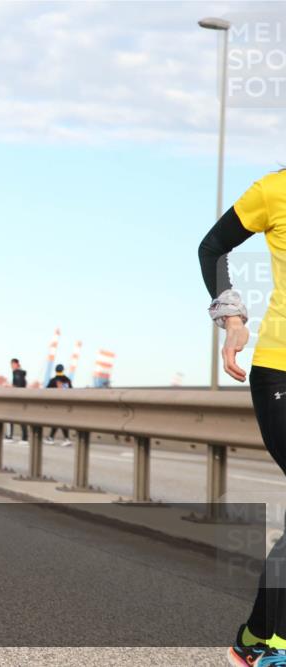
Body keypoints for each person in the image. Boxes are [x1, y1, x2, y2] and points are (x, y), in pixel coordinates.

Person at [198, 167, 286, 667]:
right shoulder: (274, 189)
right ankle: (277, 647)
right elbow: (212, 247)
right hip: (281, 371)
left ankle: (255, 637)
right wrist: (231, 318)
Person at [44, 364, 73, 446]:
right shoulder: (67, 380)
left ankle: (63, 439)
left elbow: (46, 391)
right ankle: (52, 437)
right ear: (63, 370)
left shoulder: (53, 380)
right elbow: (71, 391)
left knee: (58, 421)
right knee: (60, 421)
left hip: (56, 404)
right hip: (66, 403)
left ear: (55, 370)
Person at [6, 358, 29, 444]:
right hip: (22, 398)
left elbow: (17, 386)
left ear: (16, 364)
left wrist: (9, 387)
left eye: (12, 364)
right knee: (20, 417)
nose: (11, 366)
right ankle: (24, 437)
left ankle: (9, 436)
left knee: (9, 417)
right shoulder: (22, 373)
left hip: (16, 398)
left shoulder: (16, 372)